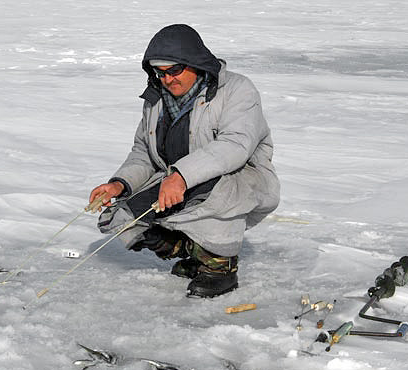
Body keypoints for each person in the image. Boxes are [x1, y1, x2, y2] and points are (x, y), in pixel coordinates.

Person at [89, 24, 280, 298]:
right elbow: (144, 151)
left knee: (213, 193)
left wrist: (181, 176)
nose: (167, 79)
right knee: (126, 215)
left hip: (239, 178)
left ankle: (220, 267)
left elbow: (235, 145)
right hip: (175, 181)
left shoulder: (237, 90)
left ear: (194, 63)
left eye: (174, 70)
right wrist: (119, 184)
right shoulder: (155, 100)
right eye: (160, 72)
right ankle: (190, 251)